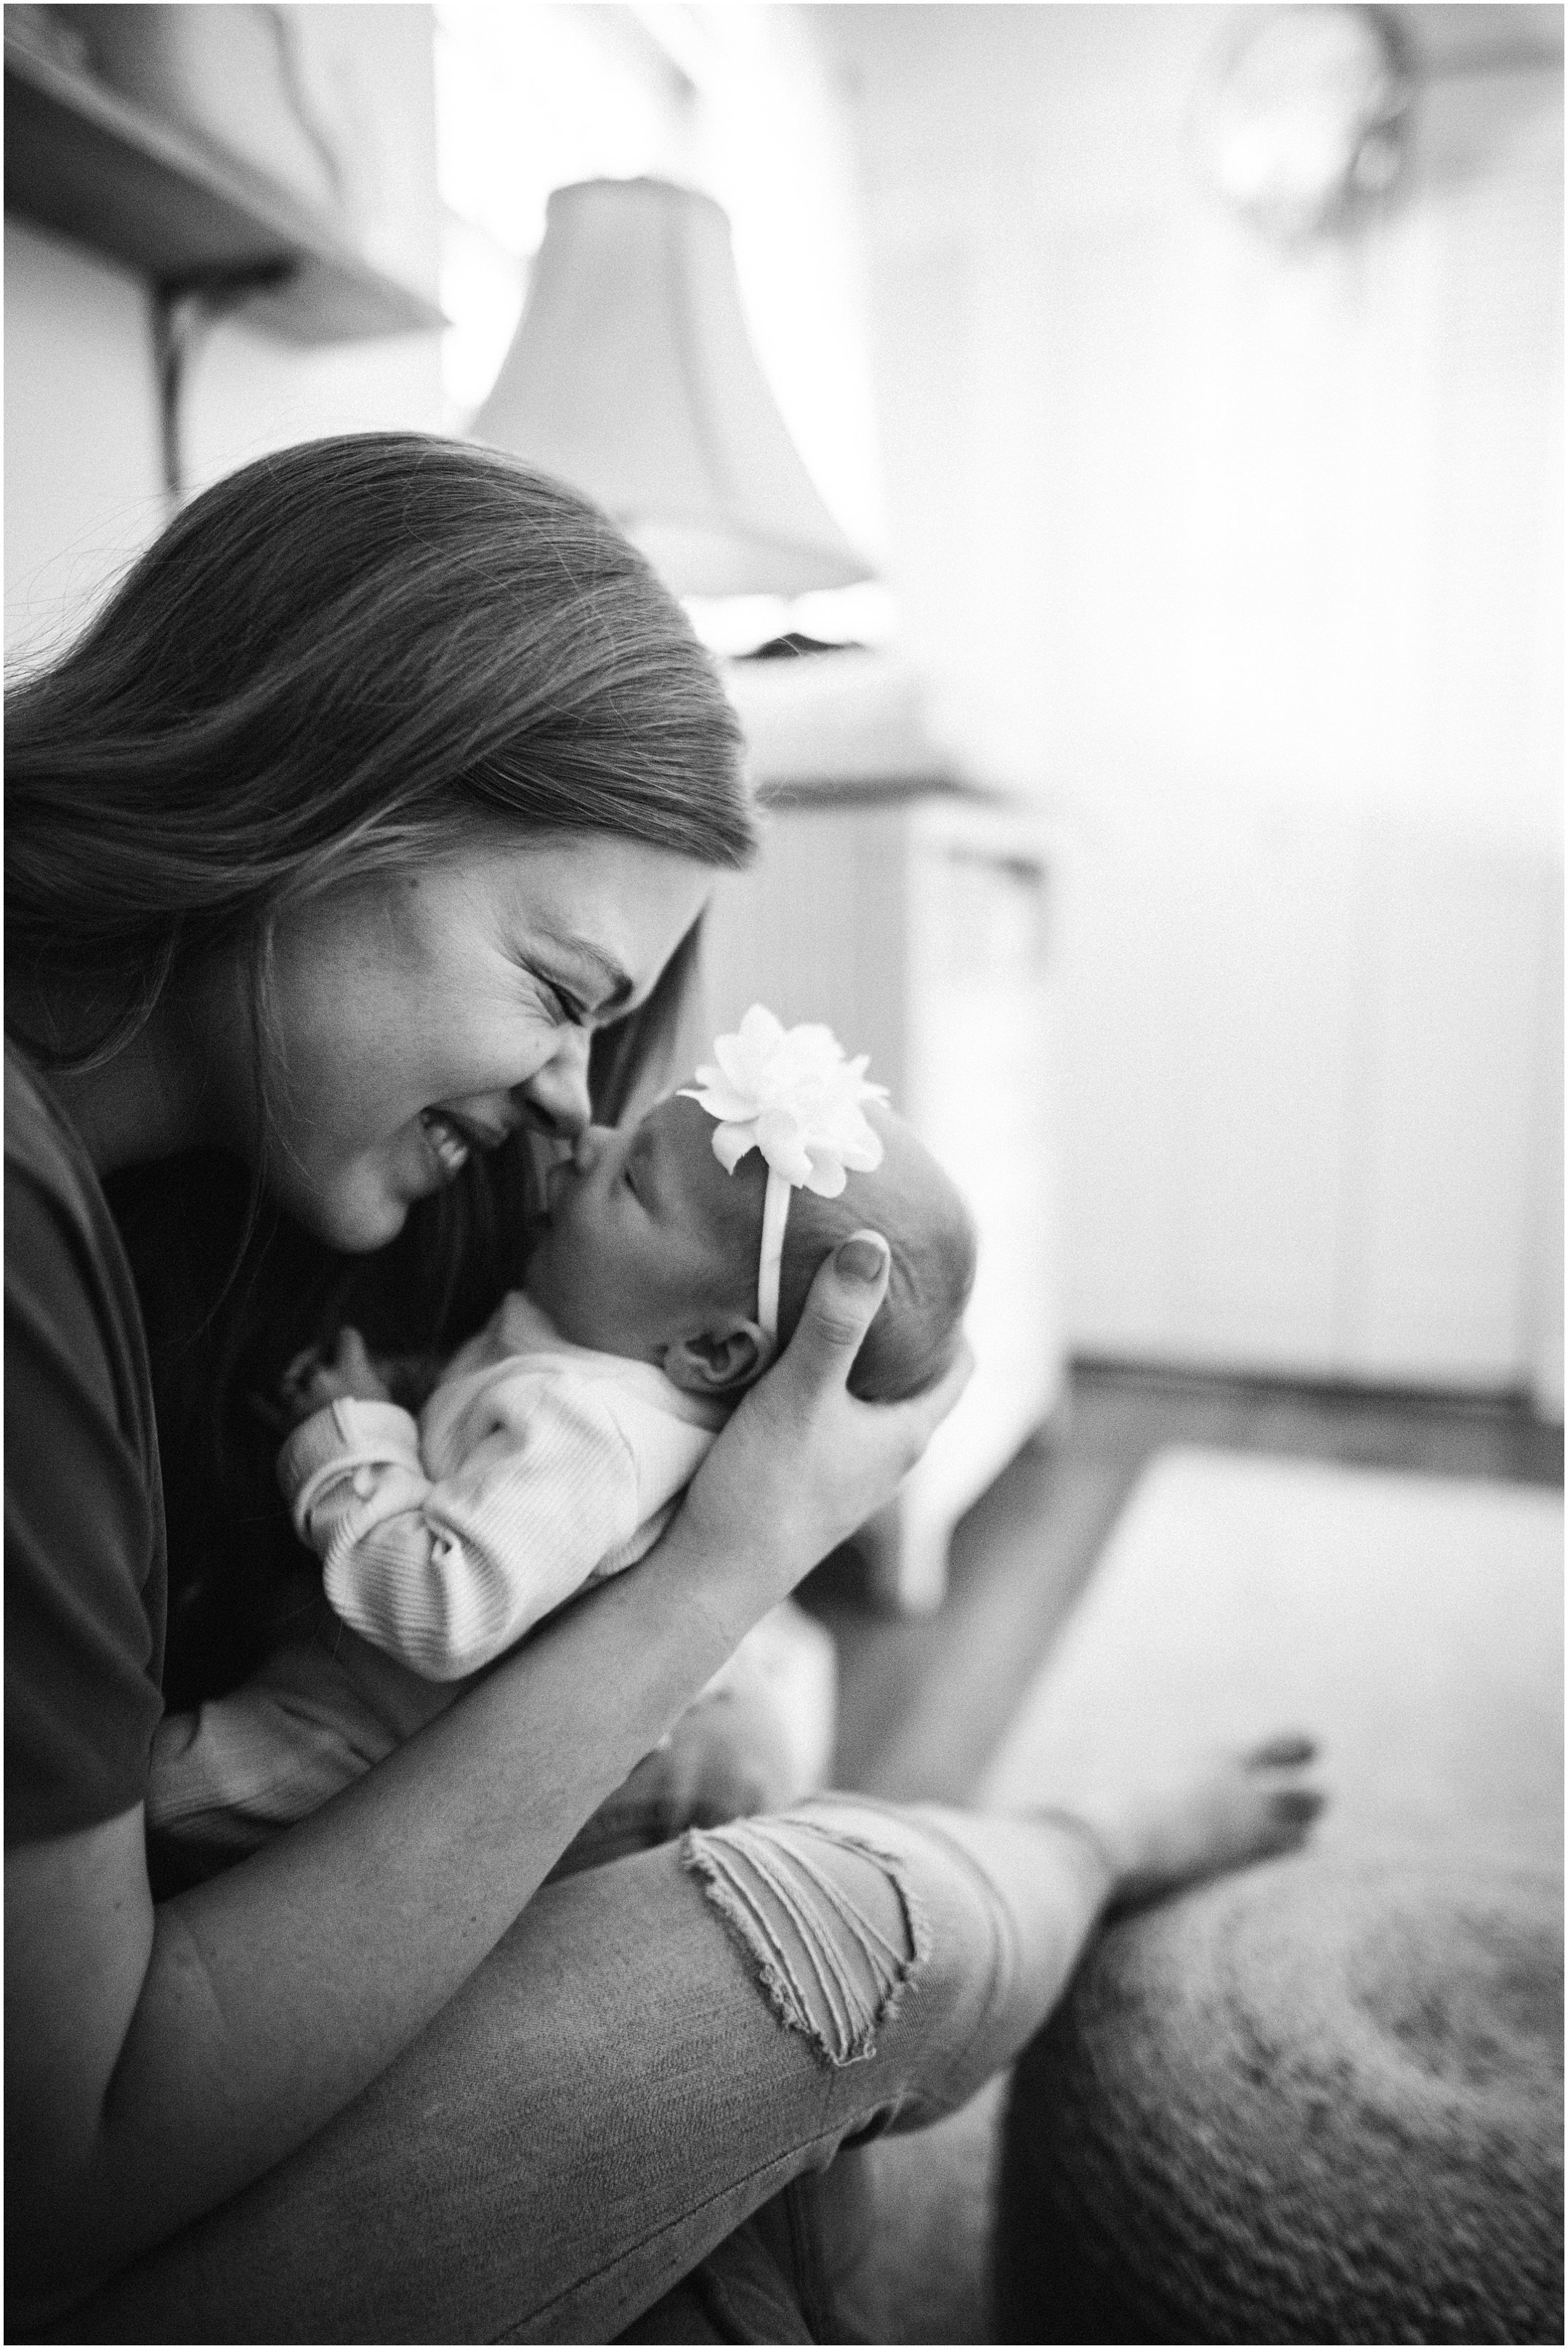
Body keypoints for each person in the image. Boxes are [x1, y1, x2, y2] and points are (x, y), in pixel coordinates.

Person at [5, 432, 1323, 2343]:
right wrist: (728, 1558)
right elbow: (70, 2165)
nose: (570, 1100)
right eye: (559, 988)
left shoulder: (171, 1189)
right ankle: (1083, 1848)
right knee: (861, 1913)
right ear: (323, 795)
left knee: (736, 1895)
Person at [146, 1055, 978, 1878]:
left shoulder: (593, 1436)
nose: (588, 1140)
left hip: (372, 1743)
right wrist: (408, 1389)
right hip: (349, 1666)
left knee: (160, 1803)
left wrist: (348, 1435)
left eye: (633, 1180)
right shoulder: (592, 1361)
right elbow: (486, 1429)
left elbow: (444, 1604)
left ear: (711, 1349)